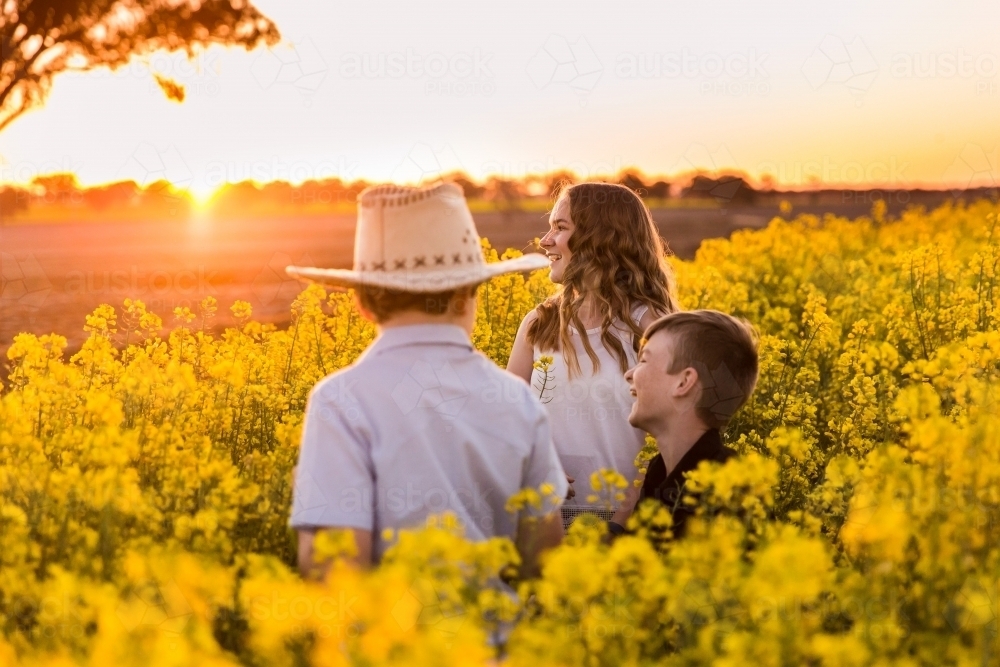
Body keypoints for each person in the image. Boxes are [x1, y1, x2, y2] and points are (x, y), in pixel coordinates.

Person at [285, 181, 568, 579]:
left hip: (396, 639)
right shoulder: (517, 400)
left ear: (362, 303)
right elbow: (544, 560)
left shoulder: (341, 401)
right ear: (470, 294)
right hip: (502, 639)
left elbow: (336, 573)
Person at [507, 182, 678, 528]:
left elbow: (673, 439)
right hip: (543, 522)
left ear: (601, 238)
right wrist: (534, 463)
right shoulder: (539, 323)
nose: (545, 241)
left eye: (560, 227)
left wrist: (619, 526)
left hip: (623, 526)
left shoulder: (653, 328)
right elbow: (504, 422)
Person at [607, 309, 760, 539]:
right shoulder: (658, 473)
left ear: (684, 382)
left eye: (644, 360)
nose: (630, 374)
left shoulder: (729, 495)